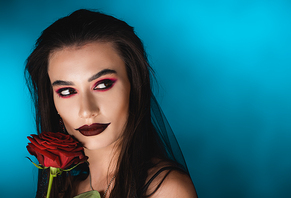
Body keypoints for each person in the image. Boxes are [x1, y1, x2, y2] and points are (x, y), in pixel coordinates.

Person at [25, 9, 197, 198]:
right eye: (67, 91)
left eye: (103, 85)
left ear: (134, 85)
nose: (87, 111)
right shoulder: (61, 191)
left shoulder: (166, 190)